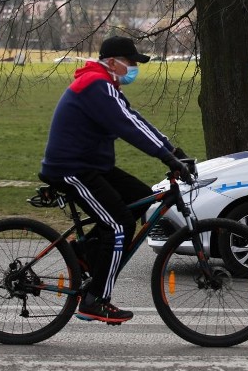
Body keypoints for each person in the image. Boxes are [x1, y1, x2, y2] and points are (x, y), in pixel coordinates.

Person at [40, 36, 192, 324]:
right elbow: (128, 128)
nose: (134, 68)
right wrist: (167, 158)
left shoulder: (105, 85)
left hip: (90, 165)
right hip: (70, 168)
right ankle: (94, 300)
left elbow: (134, 119)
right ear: (112, 62)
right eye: (131, 62)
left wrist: (173, 151)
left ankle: (84, 256)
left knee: (139, 198)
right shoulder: (96, 85)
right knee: (118, 223)